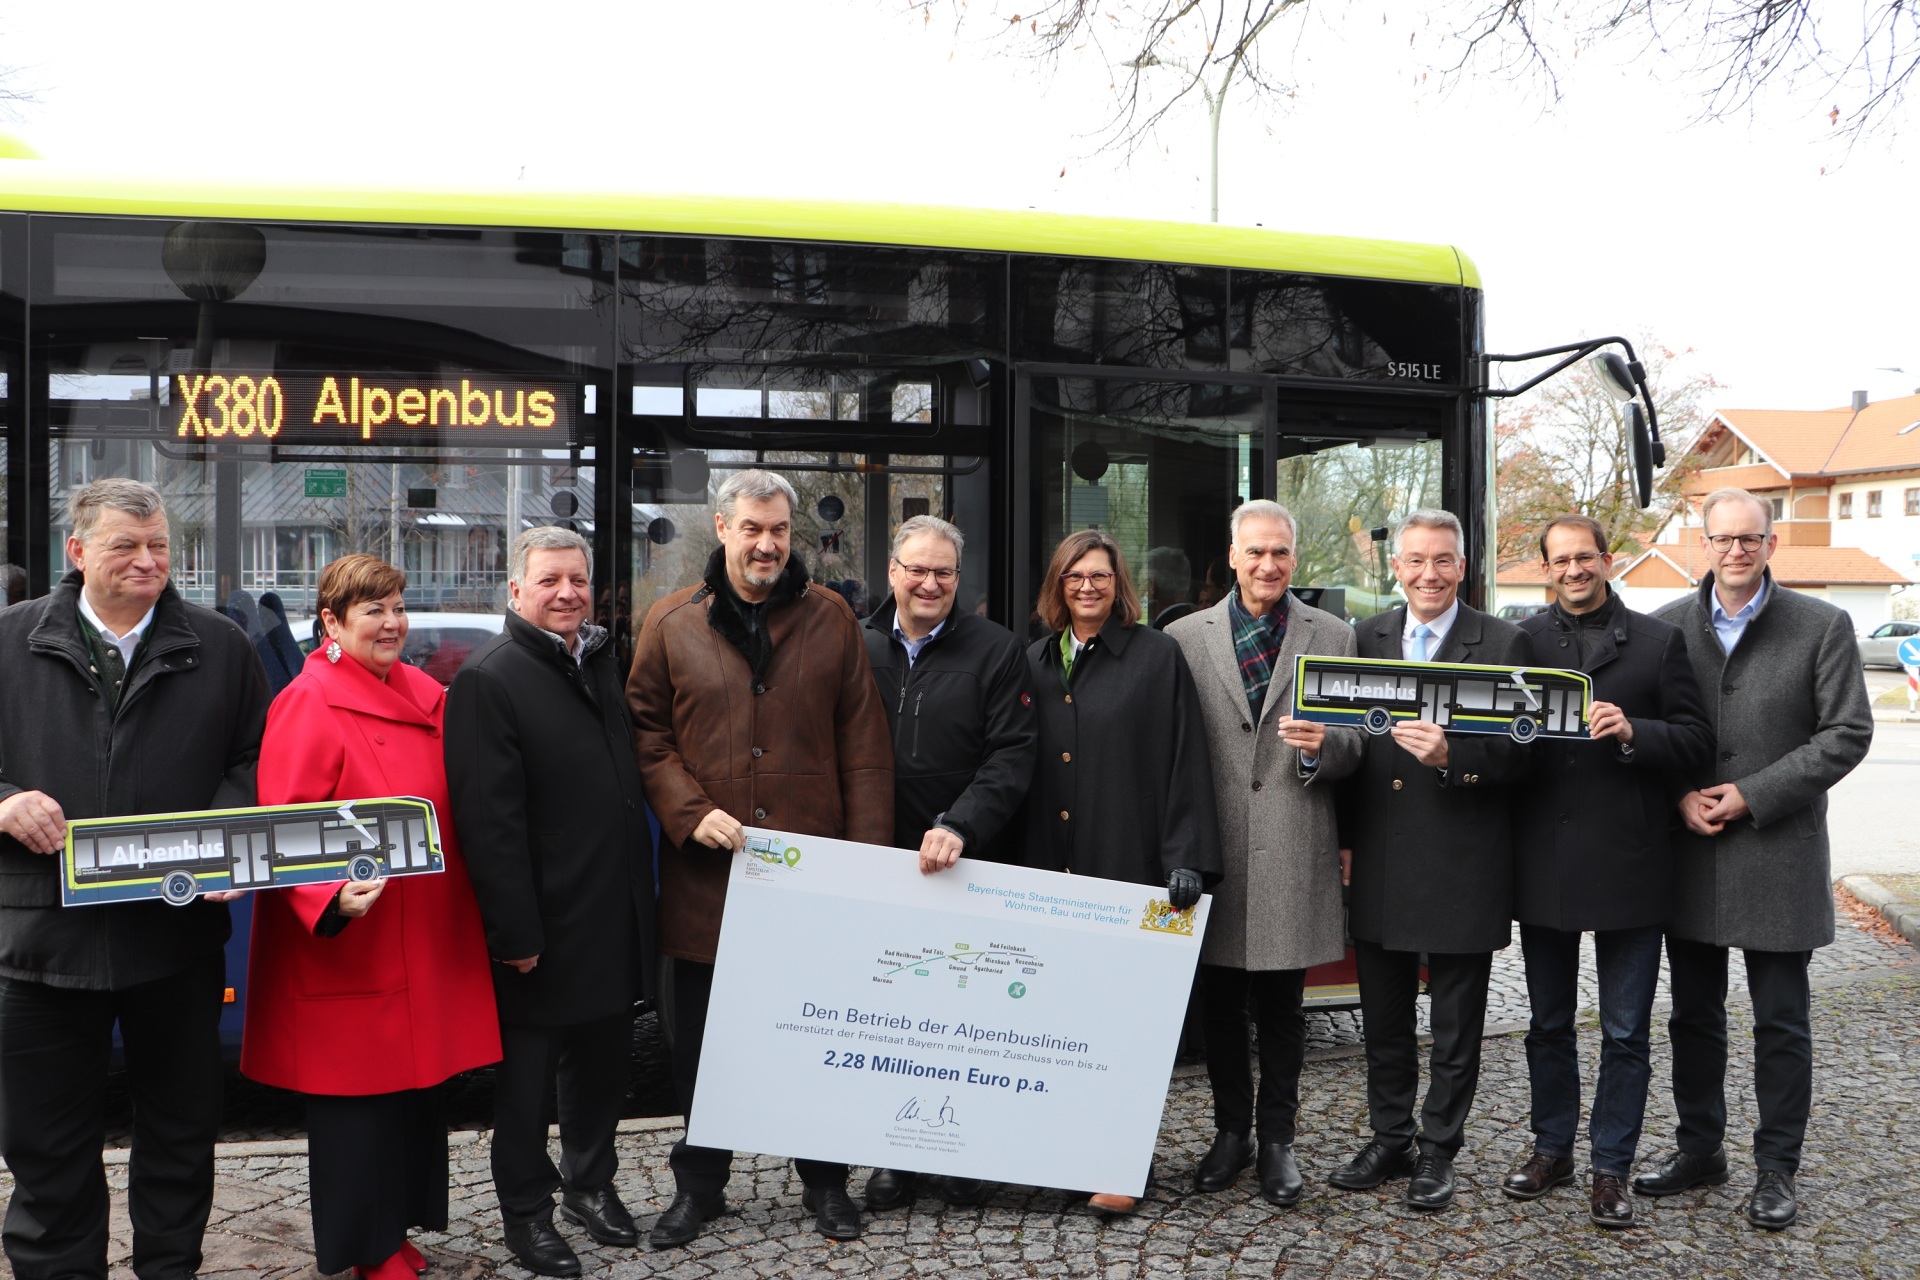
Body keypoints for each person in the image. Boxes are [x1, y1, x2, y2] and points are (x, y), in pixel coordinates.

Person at [0, 479, 269, 1280]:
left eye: (159, 546)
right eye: (127, 545)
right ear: (77, 553)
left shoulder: (222, 646)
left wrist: (227, 836)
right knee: (46, 1148)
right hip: (37, 941)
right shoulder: (7, 641)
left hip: (173, 942)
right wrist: (4, 802)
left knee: (182, 1139)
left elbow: (255, 762)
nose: (148, 561)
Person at [627, 469, 893, 1246]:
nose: (767, 543)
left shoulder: (832, 619)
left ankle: (826, 1184)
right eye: (752, 528)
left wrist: (864, 869)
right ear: (721, 528)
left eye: (778, 530)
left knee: (817, 1041)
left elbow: (866, 750)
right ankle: (700, 1187)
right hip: (708, 882)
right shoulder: (671, 622)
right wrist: (687, 809)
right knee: (704, 1049)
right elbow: (645, 732)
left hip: (810, 886)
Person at [241, 554, 501, 1280]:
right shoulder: (309, 700)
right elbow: (284, 820)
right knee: (358, 1115)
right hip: (354, 939)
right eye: (373, 611)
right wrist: (328, 898)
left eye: (397, 607)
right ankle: (370, 1249)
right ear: (331, 622)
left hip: (423, 936)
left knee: (413, 1102)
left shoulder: (426, 693)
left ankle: (394, 1231)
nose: (392, 624)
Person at [1637, 488, 1873, 1230]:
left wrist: (1750, 793)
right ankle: (1700, 1148)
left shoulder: (1822, 625)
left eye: (1750, 539)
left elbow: (1845, 734)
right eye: (1723, 539)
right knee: (1694, 1019)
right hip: (1693, 853)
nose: (1735, 551)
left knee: (1781, 1020)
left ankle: (1778, 1169)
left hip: (1778, 851)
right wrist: (1680, 795)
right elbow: (1650, 731)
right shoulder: (1665, 626)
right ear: (1701, 544)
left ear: (1772, 545)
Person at [447, 527, 657, 1276]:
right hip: (539, 926)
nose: (567, 593)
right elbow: (487, 821)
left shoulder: (596, 660)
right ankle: (527, 1214)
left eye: (577, 580)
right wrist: (514, 932)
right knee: (528, 1085)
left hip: (609, 912)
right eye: (549, 581)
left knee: (602, 1068)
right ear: (515, 591)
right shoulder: (490, 678)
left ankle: (589, 1187)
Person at [1502, 514, 1713, 1228]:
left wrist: (1633, 733)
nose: (1573, 570)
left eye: (1583, 557)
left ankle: (1610, 1168)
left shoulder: (1659, 641)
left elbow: (1694, 742)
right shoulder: (1521, 642)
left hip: (1631, 861)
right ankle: (1551, 1147)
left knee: (1626, 1031)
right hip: (1546, 859)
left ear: (1606, 558)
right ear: (1545, 567)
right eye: (1559, 560)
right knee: (1547, 1024)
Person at [1330, 508, 1530, 1212]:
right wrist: (1347, 840)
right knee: (1381, 1020)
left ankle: (1439, 1149)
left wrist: (1456, 758)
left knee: (1454, 1026)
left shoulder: (1506, 642)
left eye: (1442, 560)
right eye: (1415, 560)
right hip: (1383, 855)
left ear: (1463, 566)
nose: (1429, 574)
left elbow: (1528, 754)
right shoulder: (1366, 637)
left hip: (1463, 859)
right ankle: (1391, 1139)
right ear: (1395, 568)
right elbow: (1351, 752)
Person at [1166, 500, 1362, 1207]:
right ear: (1232, 556)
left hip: (1291, 835)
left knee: (1283, 1007)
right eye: (1255, 552)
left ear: (1296, 558)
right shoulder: (1185, 637)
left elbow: (1359, 742)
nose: (1268, 564)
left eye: (1280, 552)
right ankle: (1230, 1133)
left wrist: (1324, 751)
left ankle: (1277, 1140)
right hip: (1214, 842)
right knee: (1219, 1005)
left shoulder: (1334, 635)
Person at [1022, 528, 1223, 1215]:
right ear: (1058, 585)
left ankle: (1119, 1164)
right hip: (1052, 872)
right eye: (1075, 576)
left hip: (1126, 865)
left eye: (1101, 576)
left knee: (1121, 1031)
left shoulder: (1156, 658)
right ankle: (1058, 1156)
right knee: (1054, 1028)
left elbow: (1184, 760)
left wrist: (1187, 857)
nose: (1088, 587)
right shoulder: (1034, 662)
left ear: (1119, 585)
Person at [859, 514, 1037, 1213]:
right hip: (877, 862)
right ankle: (890, 1157)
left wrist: (960, 822)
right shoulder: (856, 642)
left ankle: (964, 1154)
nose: (929, 582)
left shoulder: (996, 651)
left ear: (957, 580)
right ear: (893, 572)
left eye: (944, 572)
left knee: (964, 1021)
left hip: (966, 863)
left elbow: (1012, 753)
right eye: (917, 569)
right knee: (884, 1021)